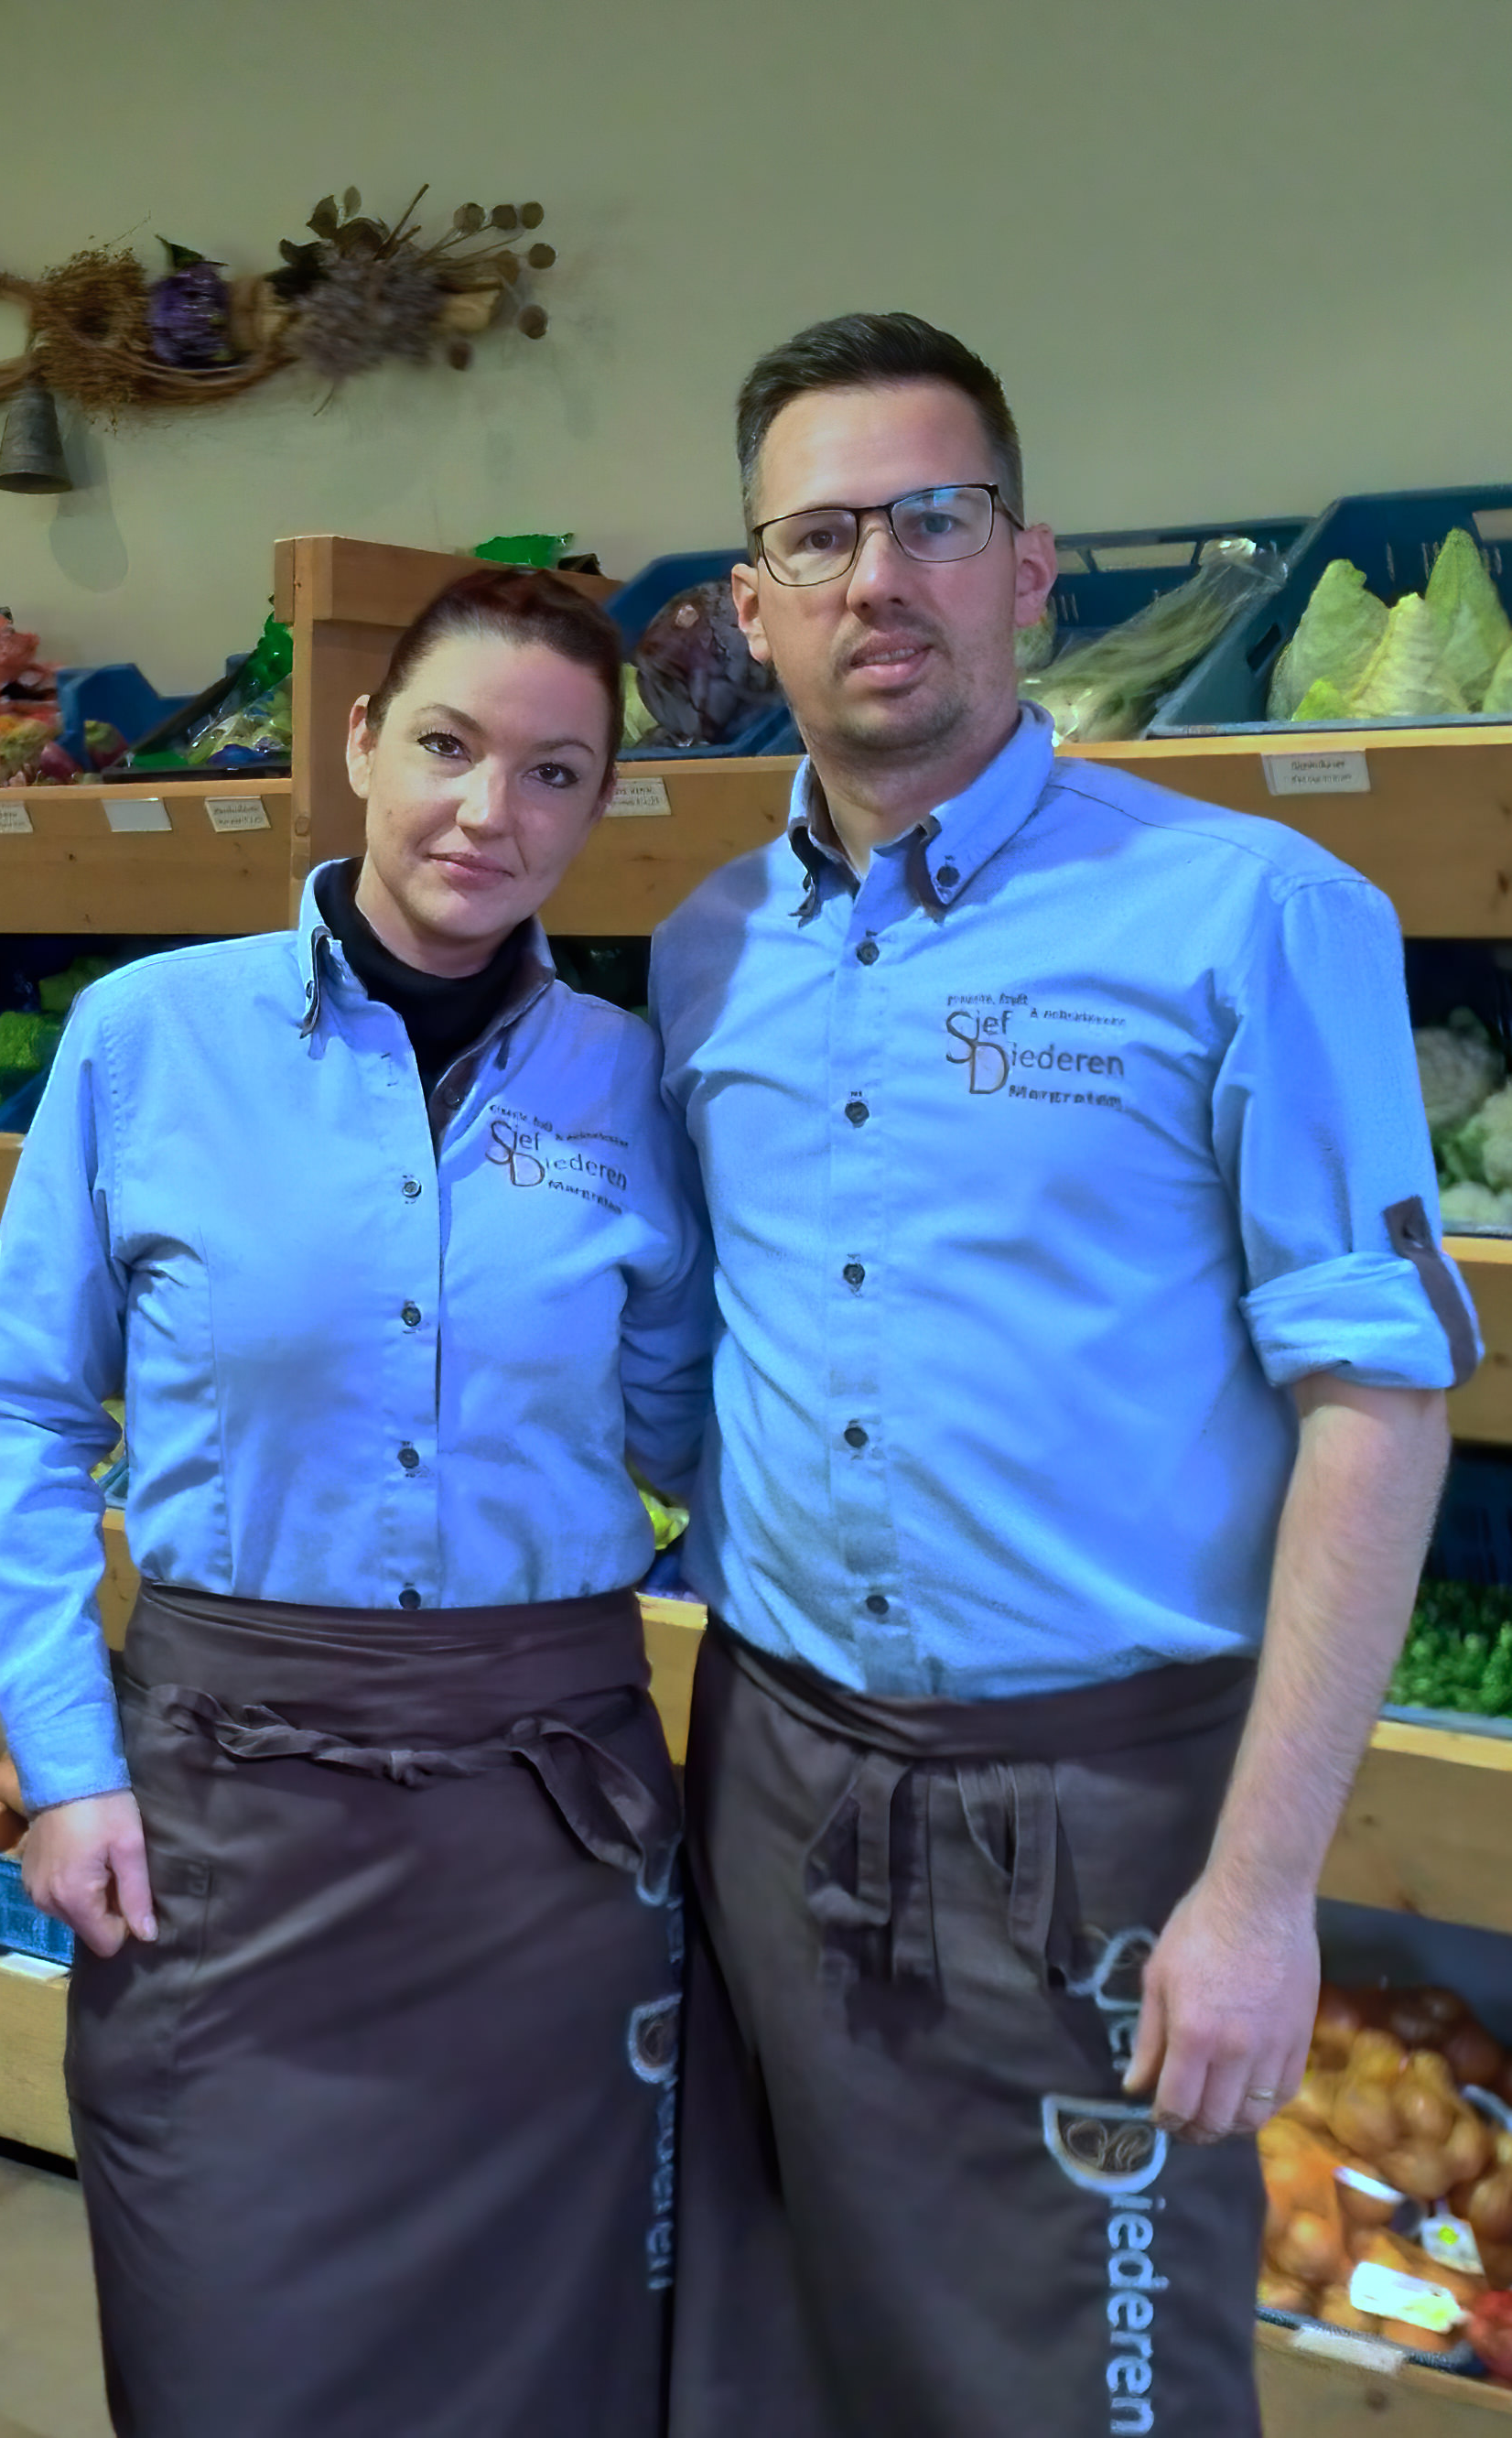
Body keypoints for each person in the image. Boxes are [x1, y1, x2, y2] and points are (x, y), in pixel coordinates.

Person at [650, 312, 1475, 2438]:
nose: (877, 577)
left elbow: (1376, 1406)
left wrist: (1264, 1893)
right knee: (773, 2334)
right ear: (752, 606)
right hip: (772, 1765)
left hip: (1100, 1812)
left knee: (1089, 2382)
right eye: (819, 535)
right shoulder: (704, 945)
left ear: (1030, 565)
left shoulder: (1254, 917)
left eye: (935, 518)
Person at [0, 566, 710, 2438]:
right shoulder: (149, 1040)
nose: (487, 814)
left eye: (553, 774)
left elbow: (700, 1429)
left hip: (548, 1846)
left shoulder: (629, 1083)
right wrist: (65, 1759)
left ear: (599, 804)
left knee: (550, 2371)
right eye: (448, 746)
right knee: (231, 2354)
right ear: (361, 743)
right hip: (226, 1823)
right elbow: (17, 1414)